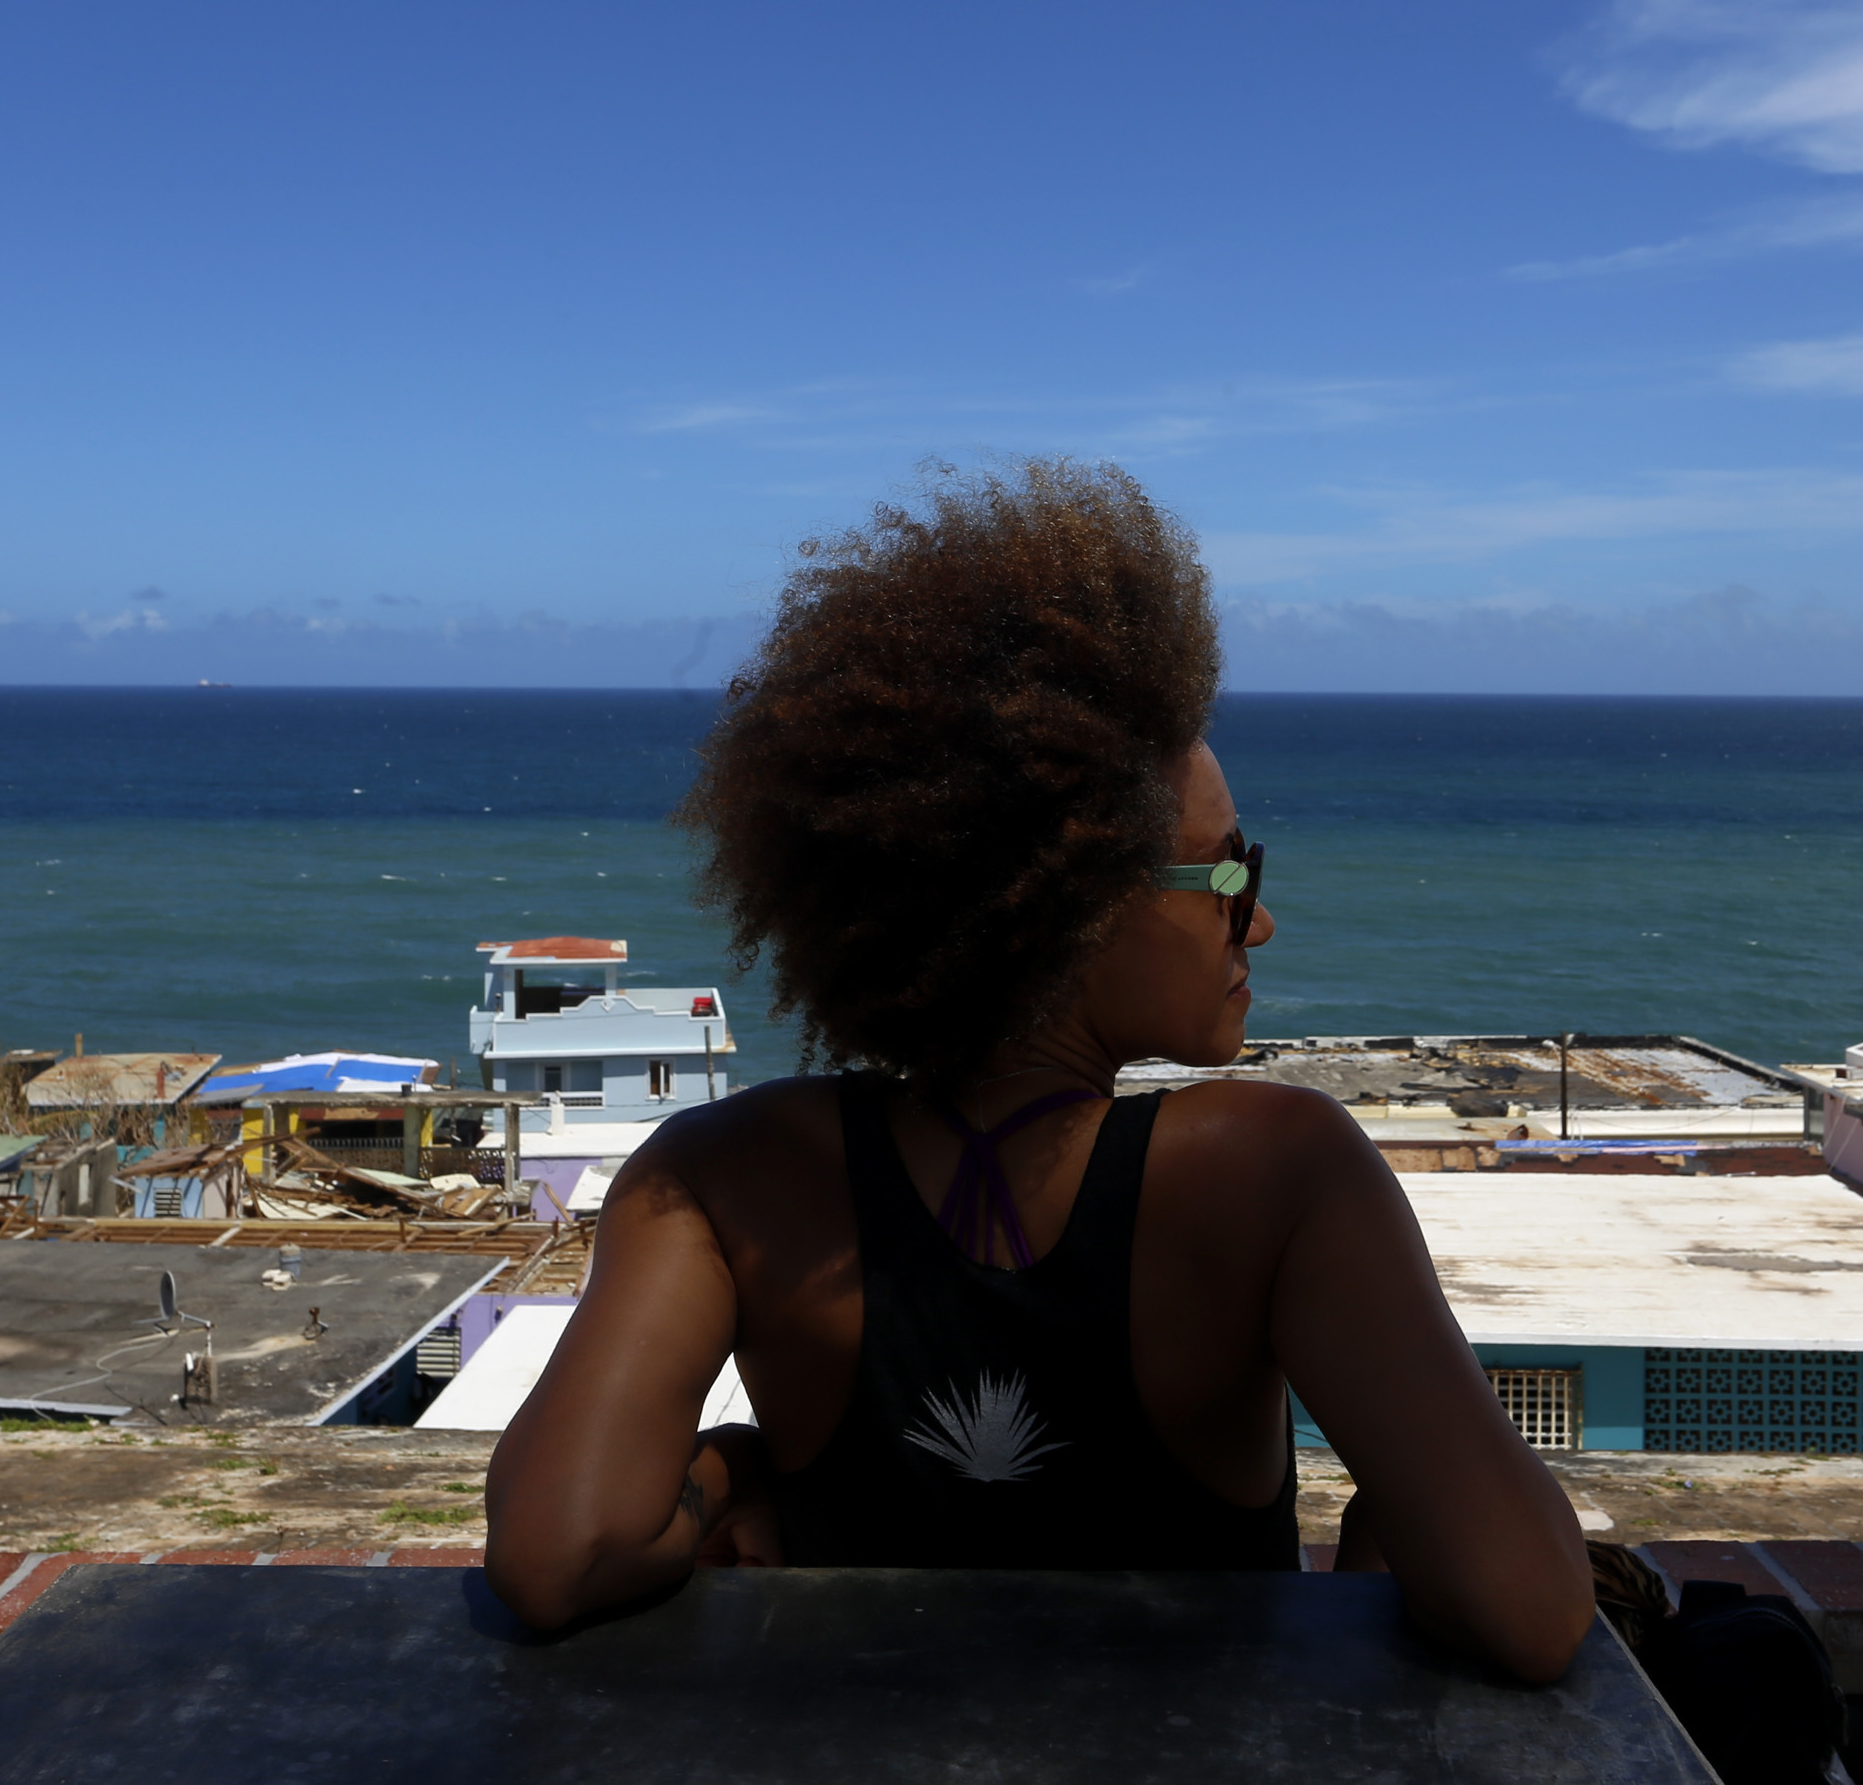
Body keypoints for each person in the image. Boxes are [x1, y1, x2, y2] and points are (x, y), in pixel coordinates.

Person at [482, 461, 1592, 1682]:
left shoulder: (724, 1175)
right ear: (1083, 904)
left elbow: (559, 1552)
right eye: (1232, 875)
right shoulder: (1278, 1174)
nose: (1257, 923)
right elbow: (1526, 1610)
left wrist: (727, 1470)